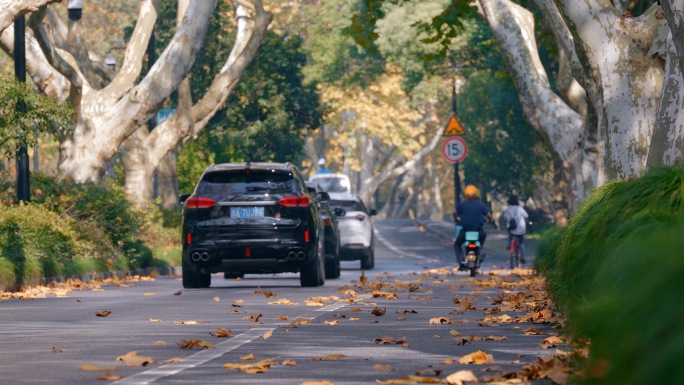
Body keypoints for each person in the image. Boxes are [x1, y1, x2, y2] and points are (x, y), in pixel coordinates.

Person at [453, 185, 492, 271]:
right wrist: (489, 220)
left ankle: (461, 262)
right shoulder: (480, 205)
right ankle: (478, 251)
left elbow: (454, 212)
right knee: (483, 236)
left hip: (465, 231)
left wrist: (457, 218)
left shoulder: (462, 205)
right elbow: (489, 215)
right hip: (478, 231)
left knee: (457, 244)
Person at [501, 194, 529, 264]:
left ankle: (509, 244)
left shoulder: (508, 209)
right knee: (521, 242)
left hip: (511, 227)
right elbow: (526, 215)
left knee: (510, 235)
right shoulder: (519, 208)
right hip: (520, 228)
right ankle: (522, 257)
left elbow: (504, 217)